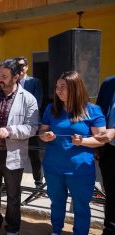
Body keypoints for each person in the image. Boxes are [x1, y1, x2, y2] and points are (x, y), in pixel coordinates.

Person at [39, 71, 106, 235]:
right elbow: (42, 132)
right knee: (56, 202)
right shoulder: (51, 108)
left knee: (81, 205)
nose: (58, 91)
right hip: (53, 167)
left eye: (63, 87)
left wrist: (83, 141)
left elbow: (101, 139)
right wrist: (45, 137)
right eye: (57, 87)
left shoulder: (92, 110)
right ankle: (56, 230)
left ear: (75, 88)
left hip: (80, 169)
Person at [0, 59, 39, 235]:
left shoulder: (28, 99)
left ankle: (13, 227)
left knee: (13, 196)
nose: (0, 79)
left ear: (16, 76)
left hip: (13, 154)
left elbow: (32, 127)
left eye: (4, 76)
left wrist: (11, 130)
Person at [16, 56, 44, 188]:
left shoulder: (34, 81)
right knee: (15, 154)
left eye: (22, 65)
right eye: (17, 65)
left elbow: (37, 102)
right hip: (15, 125)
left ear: (27, 67)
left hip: (30, 124)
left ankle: (38, 181)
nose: (20, 68)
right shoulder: (12, 82)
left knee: (34, 154)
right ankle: (13, 183)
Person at [95, 75, 115, 235]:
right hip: (109, 150)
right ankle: (110, 229)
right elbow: (99, 114)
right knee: (111, 193)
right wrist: (97, 147)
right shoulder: (108, 83)